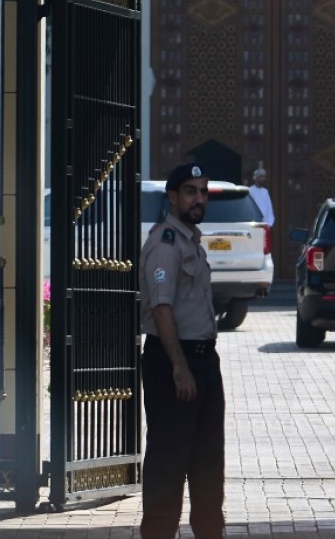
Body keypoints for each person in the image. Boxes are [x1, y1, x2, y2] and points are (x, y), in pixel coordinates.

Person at [139, 163, 225, 539]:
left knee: (208, 460)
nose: (199, 198)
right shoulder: (165, 244)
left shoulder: (192, 241)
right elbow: (161, 310)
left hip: (204, 360)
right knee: (169, 461)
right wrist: (179, 367)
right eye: (190, 191)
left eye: (203, 191)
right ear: (173, 197)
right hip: (173, 361)